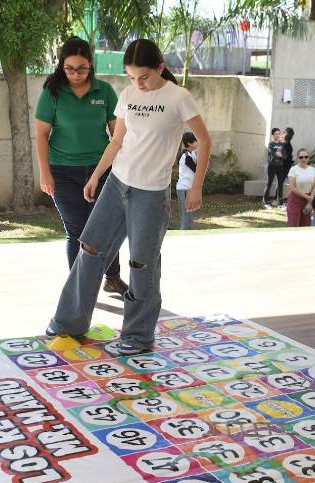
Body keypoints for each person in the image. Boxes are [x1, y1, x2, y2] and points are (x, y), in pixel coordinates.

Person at [47, 38, 211, 357]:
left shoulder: (179, 98)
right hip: (117, 184)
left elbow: (204, 140)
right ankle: (69, 322)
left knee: (142, 263)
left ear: (160, 68)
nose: (138, 84)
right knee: (90, 248)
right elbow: (117, 141)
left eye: (144, 77)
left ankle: (137, 335)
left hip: (151, 193)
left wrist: (196, 186)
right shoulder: (127, 94)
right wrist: (96, 176)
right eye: (131, 76)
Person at [35, 37, 128, 295]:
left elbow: (117, 135)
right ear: (61, 66)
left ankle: (112, 277)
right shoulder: (52, 93)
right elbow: (42, 135)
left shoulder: (105, 91)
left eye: (82, 68)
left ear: (91, 65)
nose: (76, 74)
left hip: (102, 170)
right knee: (77, 231)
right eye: (70, 68)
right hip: (63, 172)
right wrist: (45, 172)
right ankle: (79, 287)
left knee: (105, 227)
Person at [286, 148, 315, 227]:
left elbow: (314, 186)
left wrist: (310, 202)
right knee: (293, 225)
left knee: (305, 226)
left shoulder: (312, 169)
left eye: (306, 157)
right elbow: (292, 188)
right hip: (295, 200)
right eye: (301, 157)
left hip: (307, 200)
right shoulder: (293, 169)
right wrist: (308, 197)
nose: (304, 159)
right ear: (297, 158)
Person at [177, 132, 198, 229]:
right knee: (185, 217)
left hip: (190, 188)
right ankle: (183, 234)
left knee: (190, 216)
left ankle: (188, 235)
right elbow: (196, 169)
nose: (197, 143)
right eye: (195, 141)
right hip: (184, 187)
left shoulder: (192, 153)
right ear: (189, 143)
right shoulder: (186, 156)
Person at [263, 128, 286, 207]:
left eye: (279, 134)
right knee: (269, 183)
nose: (277, 135)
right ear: (272, 135)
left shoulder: (282, 144)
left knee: (280, 184)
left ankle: (280, 203)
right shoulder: (271, 144)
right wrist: (277, 154)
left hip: (280, 167)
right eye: (275, 134)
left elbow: (285, 156)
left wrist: (281, 156)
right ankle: (265, 202)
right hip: (272, 166)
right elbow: (271, 153)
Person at [280, 127, 295, 206]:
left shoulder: (287, 144)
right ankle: (278, 199)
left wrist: (292, 159)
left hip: (287, 166)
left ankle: (279, 199)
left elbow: (287, 157)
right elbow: (285, 158)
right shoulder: (284, 144)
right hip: (284, 166)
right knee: (280, 182)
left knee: (281, 182)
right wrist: (292, 159)